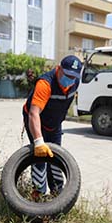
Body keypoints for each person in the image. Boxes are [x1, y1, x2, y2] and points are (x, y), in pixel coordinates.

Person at [23, 55, 83, 196]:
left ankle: (57, 193)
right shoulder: (45, 84)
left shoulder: (75, 82)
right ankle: (39, 193)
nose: (69, 79)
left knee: (55, 156)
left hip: (55, 123)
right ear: (59, 68)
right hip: (36, 120)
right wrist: (38, 141)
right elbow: (34, 114)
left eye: (73, 76)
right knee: (40, 156)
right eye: (67, 75)